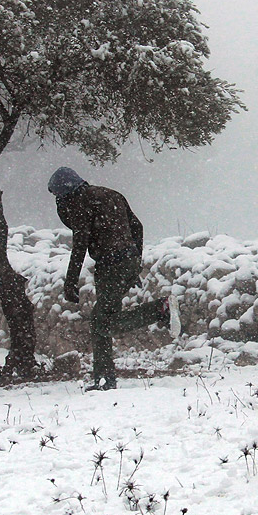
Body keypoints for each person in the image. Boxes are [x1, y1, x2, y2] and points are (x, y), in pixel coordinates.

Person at [49, 167, 179, 390]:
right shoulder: (111, 194)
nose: (57, 202)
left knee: (104, 322)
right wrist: (134, 261)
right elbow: (137, 226)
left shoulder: (80, 203)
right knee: (100, 319)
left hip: (110, 265)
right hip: (124, 261)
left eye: (57, 197)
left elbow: (80, 244)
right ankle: (104, 379)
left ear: (65, 193)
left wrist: (70, 282)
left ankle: (160, 310)